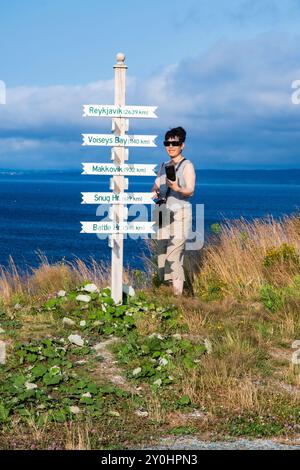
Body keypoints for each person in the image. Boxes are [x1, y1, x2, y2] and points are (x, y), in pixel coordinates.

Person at [151, 127, 196, 296]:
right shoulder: (163, 166)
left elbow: (190, 190)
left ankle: (177, 297)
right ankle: (166, 290)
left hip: (180, 213)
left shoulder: (187, 165)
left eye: (174, 143)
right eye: (167, 143)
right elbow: (156, 187)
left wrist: (176, 187)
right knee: (161, 254)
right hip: (162, 212)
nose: (170, 146)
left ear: (182, 145)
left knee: (173, 254)